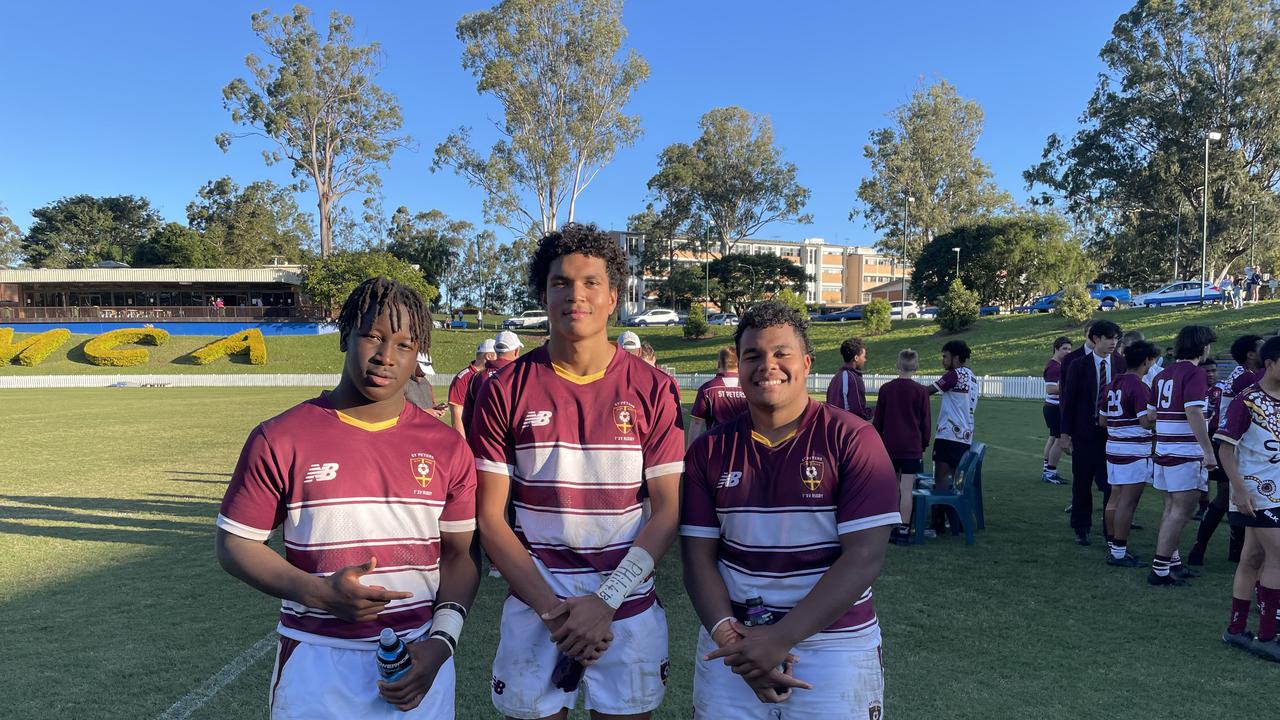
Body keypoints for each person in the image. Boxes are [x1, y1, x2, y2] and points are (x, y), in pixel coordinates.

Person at [214, 277, 480, 718]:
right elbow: (234, 545)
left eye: (404, 345)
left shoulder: (447, 446)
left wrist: (441, 642)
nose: (385, 357)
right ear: (344, 336)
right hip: (318, 662)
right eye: (372, 336)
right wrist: (317, 593)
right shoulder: (280, 437)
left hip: (419, 663)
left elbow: (460, 557)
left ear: (418, 358)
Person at [469, 223, 685, 720]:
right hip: (537, 610)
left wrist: (605, 601)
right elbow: (491, 518)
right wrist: (552, 609)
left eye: (591, 283)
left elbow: (668, 511)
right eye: (561, 283)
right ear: (543, 294)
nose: (575, 295)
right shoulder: (503, 389)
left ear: (613, 296)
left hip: (625, 609)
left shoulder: (654, 388)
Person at [681, 300, 897, 719]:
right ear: (739, 366)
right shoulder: (708, 450)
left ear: (806, 362)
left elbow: (865, 557)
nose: (768, 365)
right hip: (733, 645)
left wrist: (780, 638)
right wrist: (731, 639)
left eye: (782, 353)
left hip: (834, 644)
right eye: (753, 355)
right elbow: (696, 560)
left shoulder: (854, 438)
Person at [1215, 335, 1280, 659]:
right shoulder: (1248, 400)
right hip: (1255, 491)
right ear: (1269, 364)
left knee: (1252, 558)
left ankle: (1236, 630)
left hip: (1277, 490)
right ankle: (1268, 637)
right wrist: (1239, 490)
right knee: (1278, 557)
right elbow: (1226, 448)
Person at [1149, 325, 1219, 586]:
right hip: (1184, 451)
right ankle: (1160, 569)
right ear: (1202, 347)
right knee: (1181, 511)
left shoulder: (1163, 375)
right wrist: (1208, 450)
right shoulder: (1194, 374)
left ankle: (1171, 563)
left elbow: (1153, 415)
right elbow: (1193, 413)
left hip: (1165, 448)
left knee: (1170, 509)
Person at [1189, 335, 1264, 566]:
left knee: (1227, 497)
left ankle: (1222, 550)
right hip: (1230, 442)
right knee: (1227, 497)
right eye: (1262, 347)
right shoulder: (1248, 377)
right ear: (1251, 354)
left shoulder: (1244, 373)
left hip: (1230, 439)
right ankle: (1202, 549)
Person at [1060, 320, 1123, 546]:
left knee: (1110, 483)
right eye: (1109, 338)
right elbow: (1068, 402)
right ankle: (1081, 526)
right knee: (1082, 480)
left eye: (1116, 338)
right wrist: (1064, 434)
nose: (1113, 343)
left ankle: (1110, 529)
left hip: (1112, 434)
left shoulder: (1120, 364)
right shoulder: (1079, 365)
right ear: (1095, 339)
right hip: (1084, 432)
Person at [1100, 340, 1160, 567]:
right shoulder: (1139, 385)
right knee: (1128, 501)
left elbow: (1103, 420)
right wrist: (1159, 422)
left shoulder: (1112, 383)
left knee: (1115, 498)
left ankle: (1113, 546)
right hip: (1133, 450)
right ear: (1146, 361)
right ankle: (1118, 551)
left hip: (1114, 447)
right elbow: (1145, 422)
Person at [873, 348, 932, 544]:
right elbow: (925, 422)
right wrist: (922, 444)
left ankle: (891, 526)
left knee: (892, 488)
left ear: (897, 365)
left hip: (889, 447)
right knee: (907, 489)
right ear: (916, 366)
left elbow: (878, 420)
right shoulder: (921, 392)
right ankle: (905, 528)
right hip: (912, 447)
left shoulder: (886, 389)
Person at [928, 340, 977, 494]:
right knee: (957, 480)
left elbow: (927, 391)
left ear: (956, 358)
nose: (943, 360)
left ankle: (939, 517)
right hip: (964, 436)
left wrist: (906, 388)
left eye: (945, 357)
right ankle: (954, 516)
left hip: (948, 434)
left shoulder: (954, 374)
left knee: (940, 478)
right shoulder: (972, 377)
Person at [461, 330, 522, 434]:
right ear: (516, 351)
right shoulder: (522, 375)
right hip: (515, 444)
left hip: (483, 444)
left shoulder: (477, 377)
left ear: (495, 350)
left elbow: (467, 418)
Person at [688, 346, 749, 444]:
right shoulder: (750, 388)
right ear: (739, 364)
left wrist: (690, 453)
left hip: (716, 446)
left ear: (719, 364)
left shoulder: (707, 389)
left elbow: (696, 422)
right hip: (745, 446)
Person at [447, 338, 496, 438]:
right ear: (489, 356)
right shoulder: (463, 378)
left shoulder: (493, 375)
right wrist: (463, 444)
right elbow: (457, 415)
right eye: (498, 355)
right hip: (472, 439)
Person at [1042, 336, 1072, 485]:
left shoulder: (1058, 365)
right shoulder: (1055, 367)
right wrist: (1070, 389)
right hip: (1055, 408)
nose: (1068, 352)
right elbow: (1050, 389)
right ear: (1056, 349)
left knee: (1053, 438)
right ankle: (1050, 472)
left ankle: (1047, 470)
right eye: (1064, 349)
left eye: (1069, 349)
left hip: (1052, 408)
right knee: (1060, 439)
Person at [827, 337, 870, 420]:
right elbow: (858, 411)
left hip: (834, 424)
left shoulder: (836, 376)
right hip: (847, 426)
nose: (865, 360)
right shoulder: (853, 378)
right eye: (864, 356)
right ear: (856, 358)